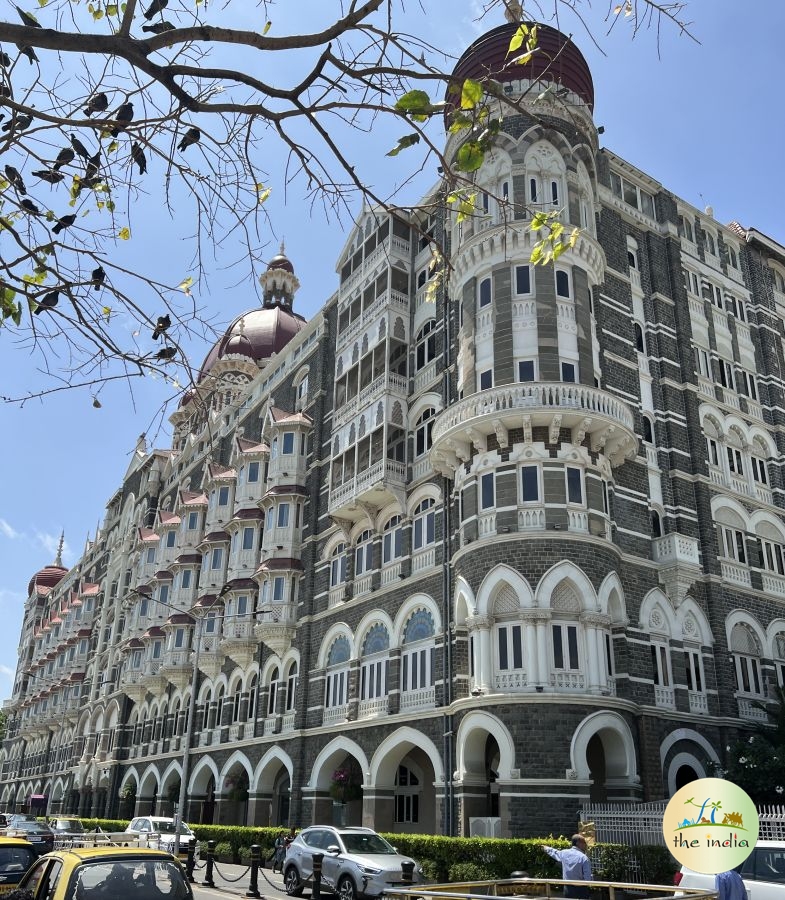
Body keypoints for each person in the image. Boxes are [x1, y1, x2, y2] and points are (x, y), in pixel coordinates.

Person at [541, 834, 592, 899]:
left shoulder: (564, 853)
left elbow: (554, 852)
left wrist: (546, 848)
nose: (586, 845)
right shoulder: (584, 858)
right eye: (584, 842)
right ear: (578, 843)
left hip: (567, 889)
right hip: (581, 890)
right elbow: (588, 879)